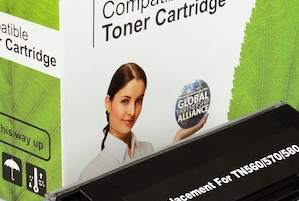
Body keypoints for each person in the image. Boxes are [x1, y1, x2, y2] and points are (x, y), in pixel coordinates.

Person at [79, 63, 207, 181]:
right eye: (125, 101)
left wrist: (179, 137)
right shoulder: (92, 173)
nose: (132, 111)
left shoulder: (147, 149)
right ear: (108, 103)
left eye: (138, 100)